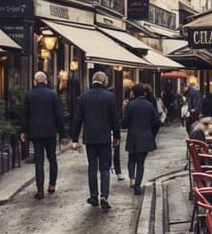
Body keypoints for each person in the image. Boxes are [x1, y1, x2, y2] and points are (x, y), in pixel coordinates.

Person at [71, 70, 120, 210]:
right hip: (104, 137)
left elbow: (77, 119)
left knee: (92, 167)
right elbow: (114, 119)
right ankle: (104, 195)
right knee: (105, 168)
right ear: (104, 81)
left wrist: (75, 139)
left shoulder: (84, 97)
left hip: (90, 138)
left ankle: (93, 197)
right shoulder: (109, 97)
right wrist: (117, 136)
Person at [20, 71, 66, 199]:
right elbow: (58, 115)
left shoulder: (29, 95)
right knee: (52, 158)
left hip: (35, 133)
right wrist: (63, 134)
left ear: (35, 82)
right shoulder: (52, 94)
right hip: (50, 132)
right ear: (46, 81)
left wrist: (23, 131)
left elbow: (24, 115)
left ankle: (40, 189)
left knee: (39, 161)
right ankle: (52, 184)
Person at [122, 83, 158, 194]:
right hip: (146, 137)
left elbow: (124, 123)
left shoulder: (131, 105)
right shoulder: (149, 105)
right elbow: (156, 122)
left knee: (131, 159)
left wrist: (124, 110)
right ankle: (137, 185)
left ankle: (132, 178)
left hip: (133, 136)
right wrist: (151, 134)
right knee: (141, 162)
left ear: (134, 93)